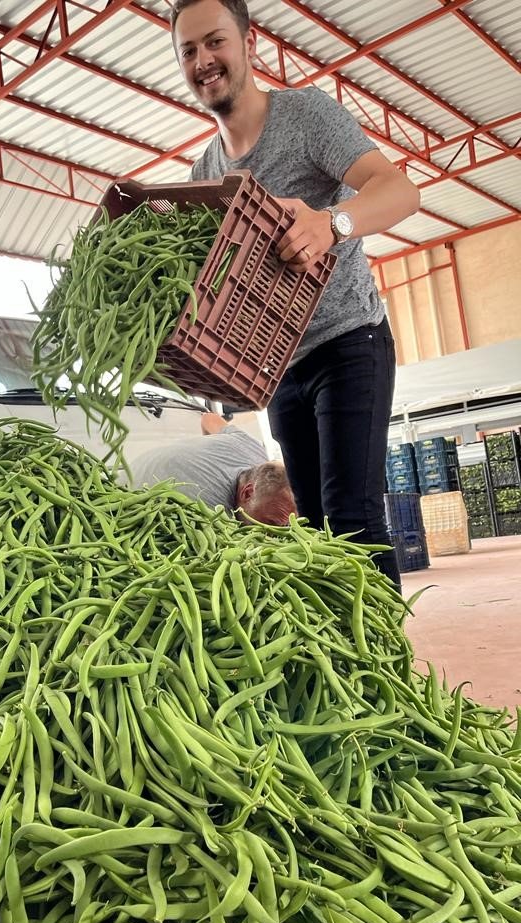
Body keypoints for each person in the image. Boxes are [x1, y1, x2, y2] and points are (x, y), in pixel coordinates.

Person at [169, 0, 421, 587]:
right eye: (189, 50)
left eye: (215, 42)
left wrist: (332, 223)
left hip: (349, 341)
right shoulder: (205, 173)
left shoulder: (305, 116)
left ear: (249, 43)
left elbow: (399, 191)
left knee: (352, 516)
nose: (204, 60)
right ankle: (333, 659)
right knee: (309, 528)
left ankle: (381, 669)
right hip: (280, 365)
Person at [130, 411, 296, 525]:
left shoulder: (252, 448)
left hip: (136, 463)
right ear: (247, 492)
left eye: (286, 525)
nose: (275, 533)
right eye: (271, 523)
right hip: (127, 494)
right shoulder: (211, 515)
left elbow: (208, 418)